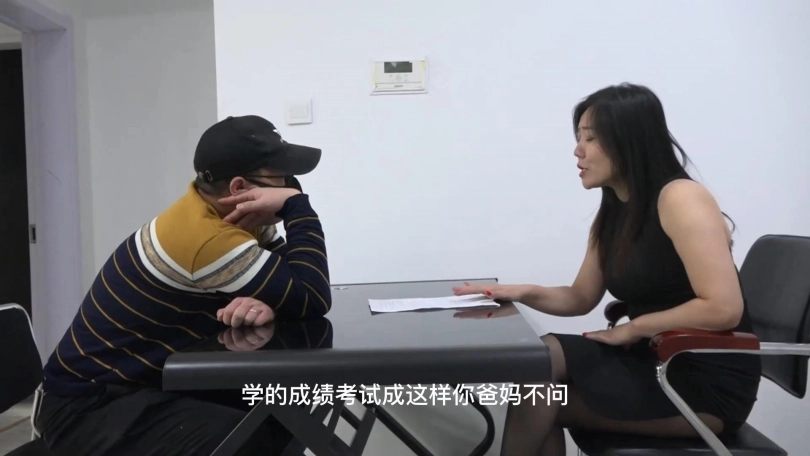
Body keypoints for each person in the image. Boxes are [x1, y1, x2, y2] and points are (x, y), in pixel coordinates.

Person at [453, 83, 762, 456]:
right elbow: (580, 297)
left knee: (542, 393)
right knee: (540, 368)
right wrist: (521, 292)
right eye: (579, 138)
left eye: (591, 138)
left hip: (701, 381)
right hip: (653, 362)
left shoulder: (681, 198)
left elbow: (723, 308)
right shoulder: (615, 209)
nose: (577, 150)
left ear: (629, 141)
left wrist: (633, 328)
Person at [36, 115, 332, 456]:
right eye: (282, 179)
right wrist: (297, 206)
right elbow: (312, 296)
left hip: (142, 387)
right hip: (88, 407)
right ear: (240, 188)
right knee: (252, 439)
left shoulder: (236, 218)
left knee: (283, 407)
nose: (290, 186)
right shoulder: (207, 239)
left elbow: (296, 287)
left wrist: (272, 300)